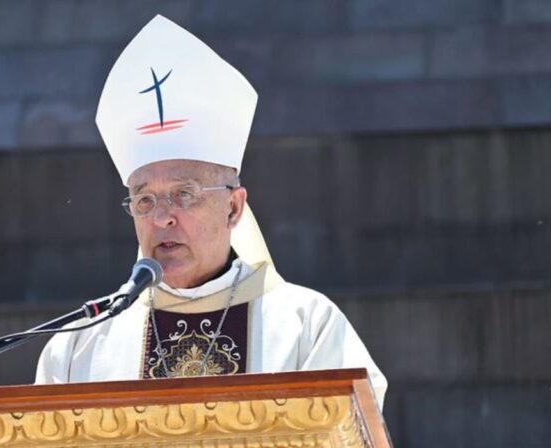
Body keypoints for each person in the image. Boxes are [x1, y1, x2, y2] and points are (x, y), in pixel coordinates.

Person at [35, 15, 387, 408]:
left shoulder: (307, 328)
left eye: (184, 194)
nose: (161, 218)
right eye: (144, 199)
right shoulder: (81, 345)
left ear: (233, 208)